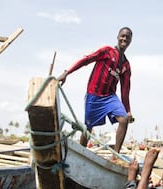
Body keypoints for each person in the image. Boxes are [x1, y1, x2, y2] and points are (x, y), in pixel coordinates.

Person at [57, 27, 134, 155]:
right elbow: (86, 59)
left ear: (130, 41)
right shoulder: (107, 51)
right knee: (88, 128)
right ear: (118, 37)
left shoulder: (126, 65)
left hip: (109, 97)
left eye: (127, 37)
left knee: (124, 119)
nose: (124, 39)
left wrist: (128, 110)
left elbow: (125, 90)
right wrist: (67, 72)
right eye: (122, 36)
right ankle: (81, 153)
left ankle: (115, 155)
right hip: (94, 94)